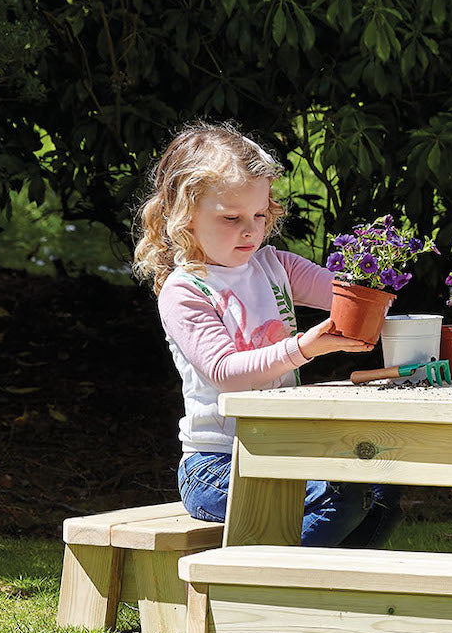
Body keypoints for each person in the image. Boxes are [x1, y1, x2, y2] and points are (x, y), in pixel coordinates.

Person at [132, 121, 402, 547]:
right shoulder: (186, 289)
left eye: (259, 215)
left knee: (384, 483)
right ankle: (277, 589)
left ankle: (331, 588)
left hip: (282, 449)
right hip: (218, 465)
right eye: (232, 218)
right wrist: (303, 349)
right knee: (340, 496)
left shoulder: (275, 265)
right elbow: (225, 373)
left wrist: (378, 281)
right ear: (184, 215)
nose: (250, 230)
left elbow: (349, 298)